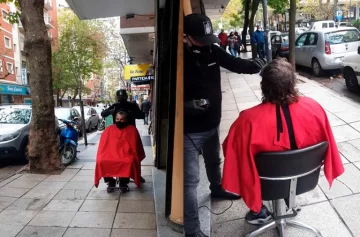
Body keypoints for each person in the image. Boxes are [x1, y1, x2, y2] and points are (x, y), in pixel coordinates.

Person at [222, 58, 344, 225]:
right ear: (293, 83)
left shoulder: (247, 121)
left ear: (264, 86)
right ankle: (288, 200)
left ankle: (259, 212)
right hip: (304, 180)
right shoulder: (314, 108)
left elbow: (232, 155)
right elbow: (328, 146)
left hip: (265, 186)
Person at [184, 13, 266, 237]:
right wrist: (185, 105)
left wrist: (254, 66)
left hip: (213, 121)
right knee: (190, 183)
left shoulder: (212, 49)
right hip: (189, 131)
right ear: (186, 37)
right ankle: (192, 231)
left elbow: (235, 63)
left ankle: (217, 188)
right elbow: (165, 96)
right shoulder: (178, 58)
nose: (206, 43)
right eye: (201, 39)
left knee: (214, 160)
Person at [95, 111, 146, 193]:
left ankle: (123, 181)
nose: (119, 121)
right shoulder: (109, 129)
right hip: (110, 154)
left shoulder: (132, 130)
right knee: (101, 161)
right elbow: (103, 145)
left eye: (122, 119)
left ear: (126, 120)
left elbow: (136, 147)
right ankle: (110, 181)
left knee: (129, 161)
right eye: (117, 119)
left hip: (127, 154)